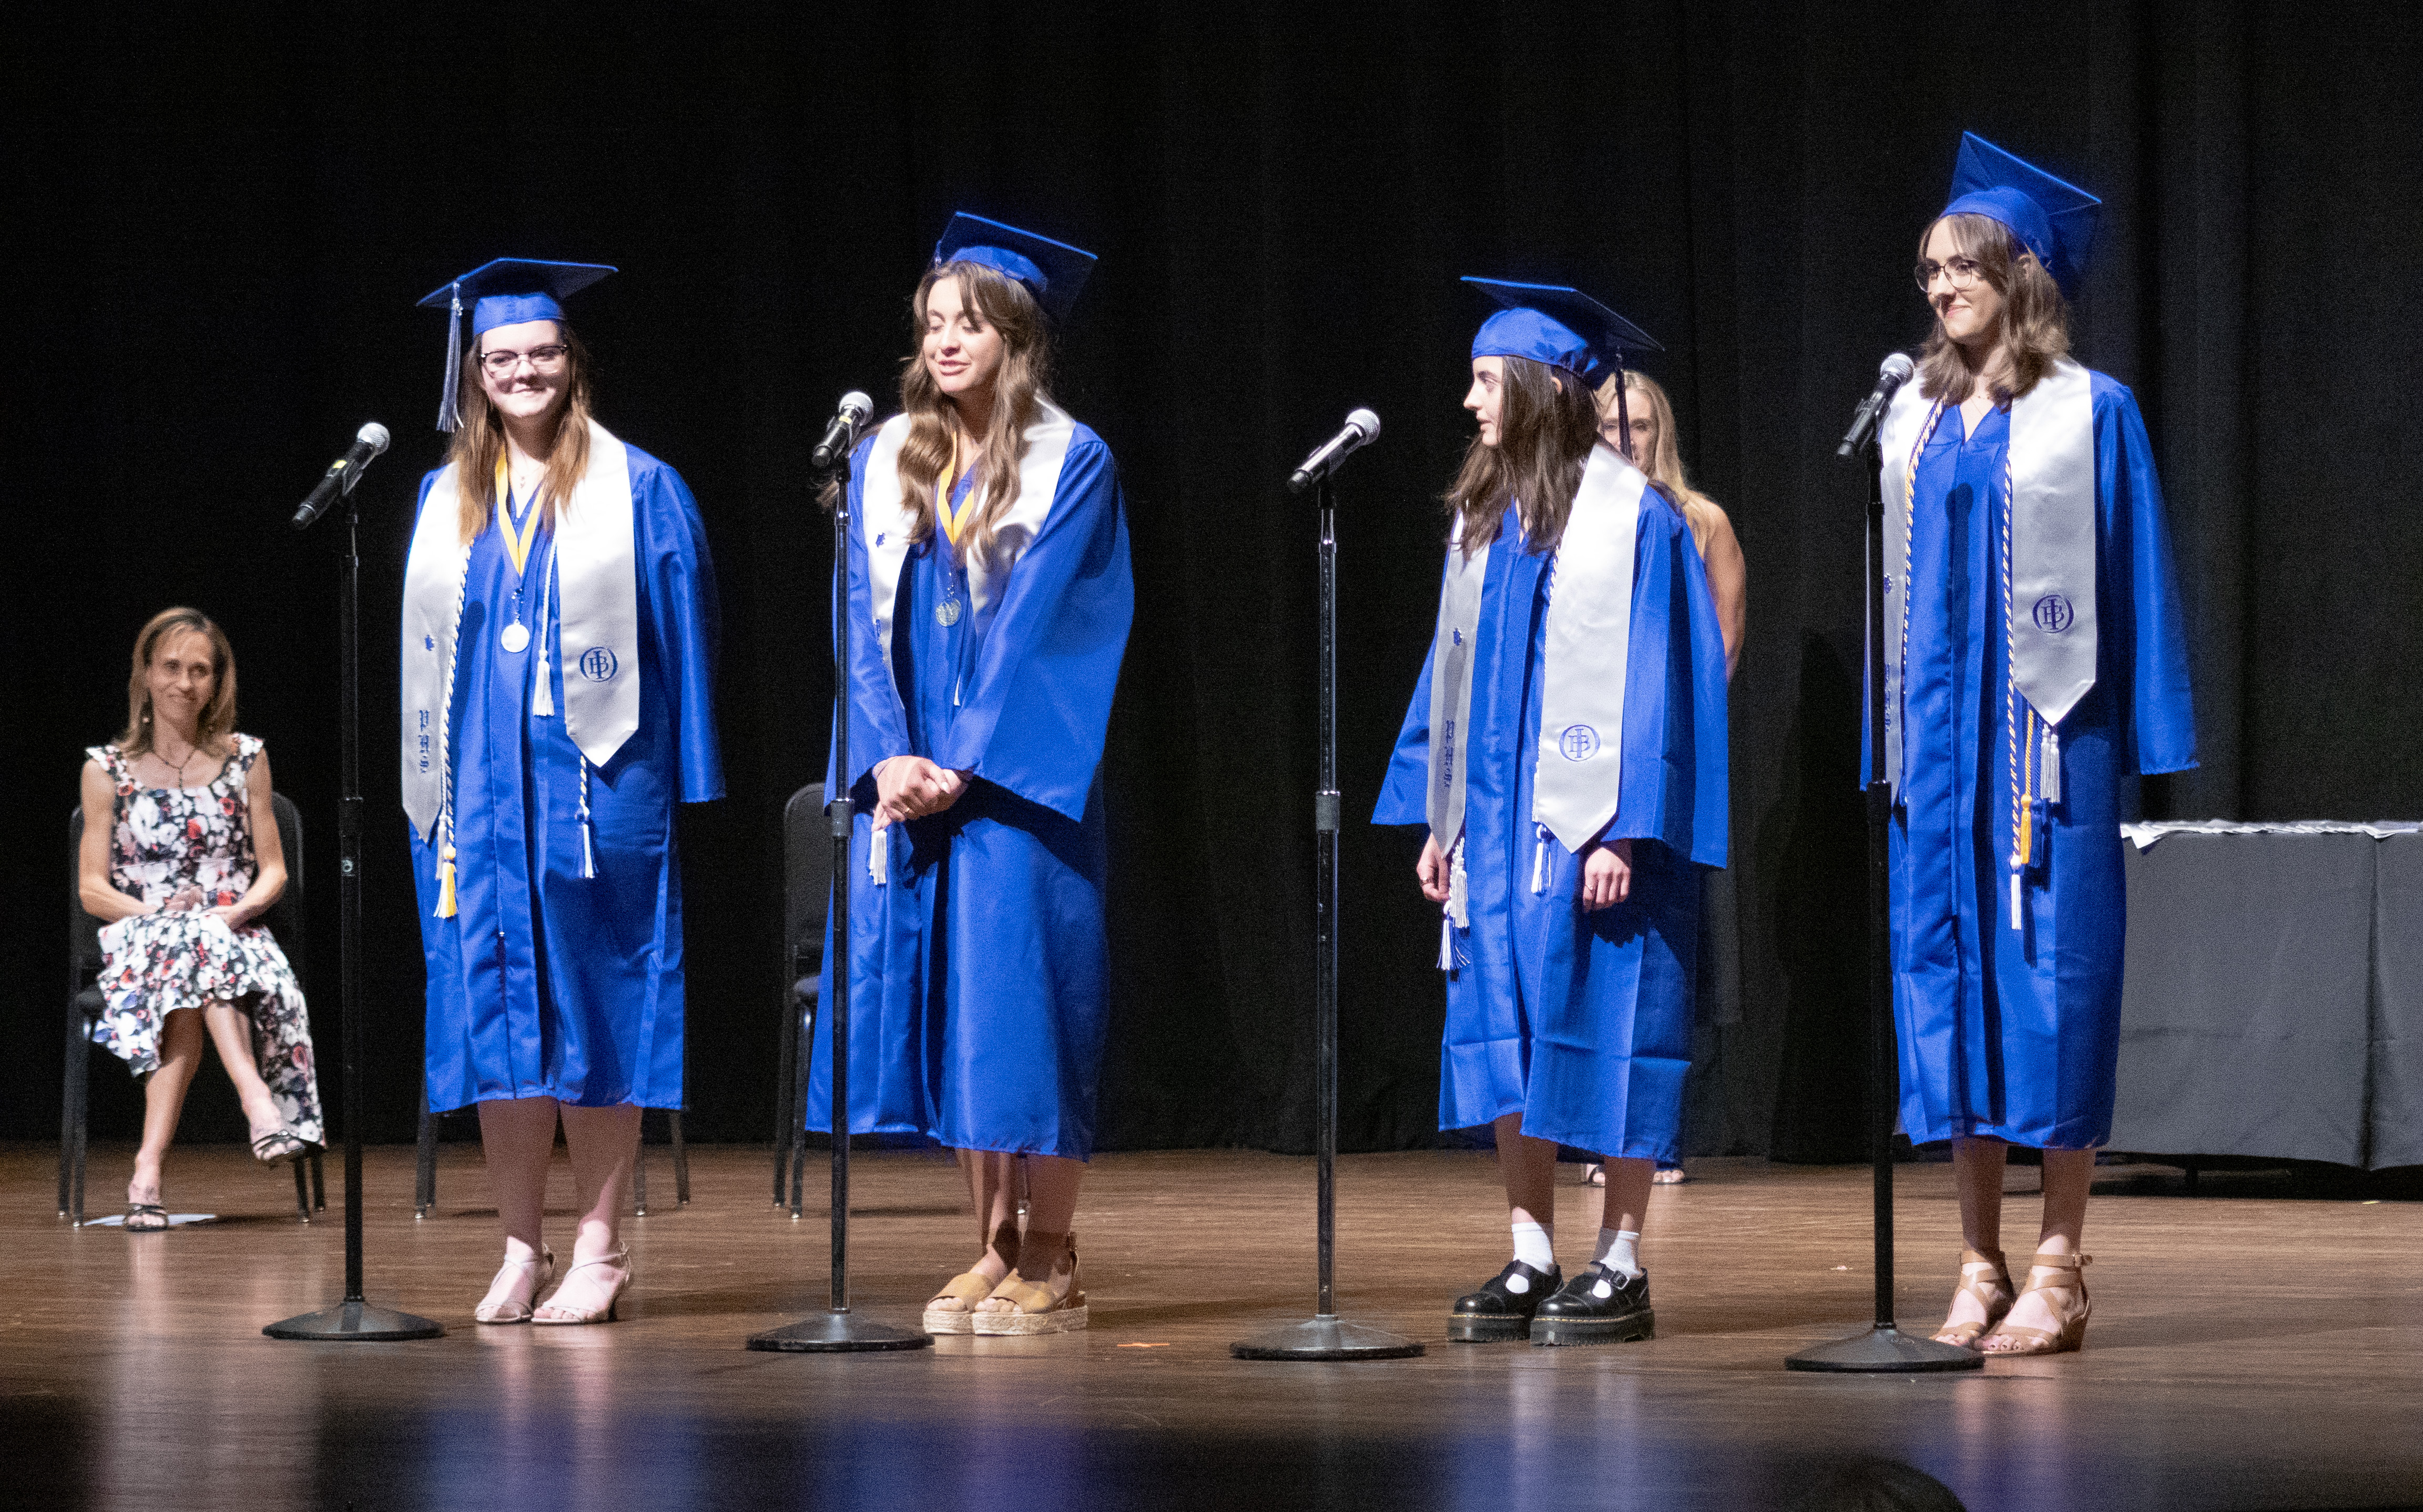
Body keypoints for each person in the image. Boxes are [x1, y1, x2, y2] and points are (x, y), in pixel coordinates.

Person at [1881, 137, 2194, 1355]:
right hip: (1941, 768)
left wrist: (2143, 744)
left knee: (2058, 993)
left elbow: (2141, 586)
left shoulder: (2091, 414)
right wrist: (1890, 744)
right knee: (1947, 993)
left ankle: (2059, 1262)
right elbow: (1893, 610)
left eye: (1961, 266)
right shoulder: (1910, 426)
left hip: (2051, 757)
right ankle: (1975, 1256)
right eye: (1927, 270)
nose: (1939, 287)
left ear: (2023, 275)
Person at [1375, 278, 1728, 1344]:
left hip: (1597, 834)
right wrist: (1439, 820)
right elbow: (1447, 677)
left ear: (1534, 389)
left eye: (1486, 383)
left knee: (1619, 1027)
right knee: (1503, 1033)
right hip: (1493, 823)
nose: (1471, 405)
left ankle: (1620, 1257)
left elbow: (1665, 683)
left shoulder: (1638, 523)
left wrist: (1621, 823)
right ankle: (1532, 1251)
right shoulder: (1481, 525)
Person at [809, 214, 1133, 1337]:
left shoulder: (1069, 458)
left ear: (1017, 335)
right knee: (956, 1010)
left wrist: (964, 759)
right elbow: (860, 621)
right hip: (918, 771)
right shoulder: (887, 452)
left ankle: (1054, 1246)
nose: (947, 341)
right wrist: (889, 754)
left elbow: (1050, 626)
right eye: (933, 322)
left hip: (1020, 778)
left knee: (1028, 1005)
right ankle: (991, 1242)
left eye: (971, 322)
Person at [402, 259, 722, 1323]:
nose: (525, 370)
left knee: (598, 1008)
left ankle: (600, 1248)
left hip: (598, 792)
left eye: (543, 351)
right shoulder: (444, 497)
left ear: (571, 361)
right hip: (473, 809)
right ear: (475, 372)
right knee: (495, 1017)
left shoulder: (640, 487)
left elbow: (686, 640)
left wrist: (691, 778)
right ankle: (516, 1246)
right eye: (502, 357)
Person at [78, 608, 323, 1231]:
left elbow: (273, 870)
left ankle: (147, 1171)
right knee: (188, 958)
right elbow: (92, 890)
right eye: (171, 667)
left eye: (200, 670)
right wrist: (160, 911)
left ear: (217, 682)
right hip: (142, 932)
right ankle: (258, 1101)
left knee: (199, 960)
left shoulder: (246, 759)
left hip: (233, 932)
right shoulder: (106, 769)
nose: (184, 682)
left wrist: (235, 910)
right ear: (147, 673)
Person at [1585, 368, 1748, 1189]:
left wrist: (1661, 737)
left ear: (1663, 433)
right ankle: (1603, 1130)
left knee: (1664, 961)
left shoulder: (1698, 521)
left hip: (1667, 759)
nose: (1625, 439)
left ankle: (1657, 1137)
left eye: (1640, 425)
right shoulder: (1572, 526)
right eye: (1610, 426)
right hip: (1583, 762)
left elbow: (1718, 650)